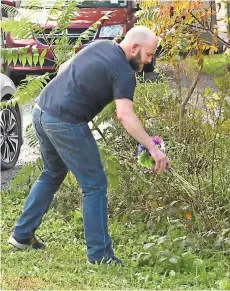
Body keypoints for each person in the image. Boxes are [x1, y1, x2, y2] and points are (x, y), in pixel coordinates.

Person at [8, 26, 170, 265]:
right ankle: (100, 255)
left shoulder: (102, 45)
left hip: (42, 111)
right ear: (134, 47)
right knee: (95, 184)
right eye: (148, 55)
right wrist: (153, 148)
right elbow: (125, 115)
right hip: (65, 121)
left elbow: (64, 68)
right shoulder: (124, 72)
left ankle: (21, 236)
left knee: (52, 173)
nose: (149, 61)